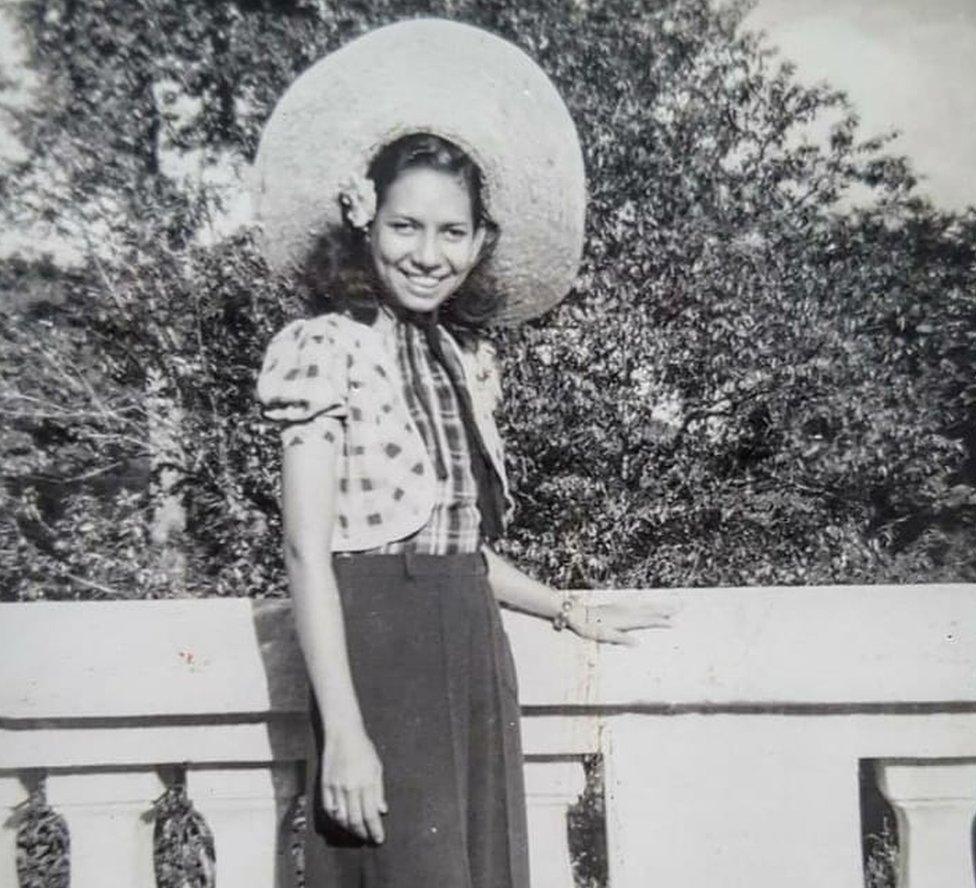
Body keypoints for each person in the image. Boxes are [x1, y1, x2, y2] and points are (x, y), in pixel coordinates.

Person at [253, 20, 671, 888]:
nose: (426, 254)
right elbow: (307, 551)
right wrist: (346, 735)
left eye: (452, 233)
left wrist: (563, 609)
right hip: (376, 651)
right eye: (406, 225)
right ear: (365, 219)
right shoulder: (320, 349)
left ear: (481, 240)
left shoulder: (463, 358)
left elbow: (456, 546)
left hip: (470, 645)